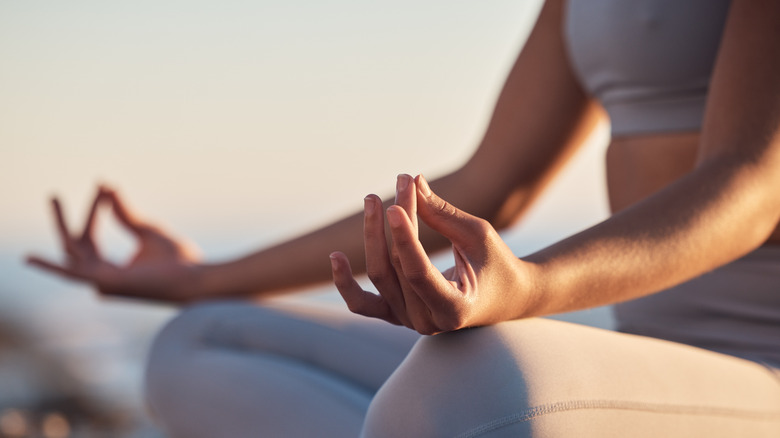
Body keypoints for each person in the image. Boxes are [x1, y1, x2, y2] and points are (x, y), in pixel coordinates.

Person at [28, 0, 780, 436]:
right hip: (656, 367)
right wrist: (201, 278)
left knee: (472, 382)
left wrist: (526, 287)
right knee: (200, 340)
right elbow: (489, 182)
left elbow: (748, 186)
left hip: (762, 377)